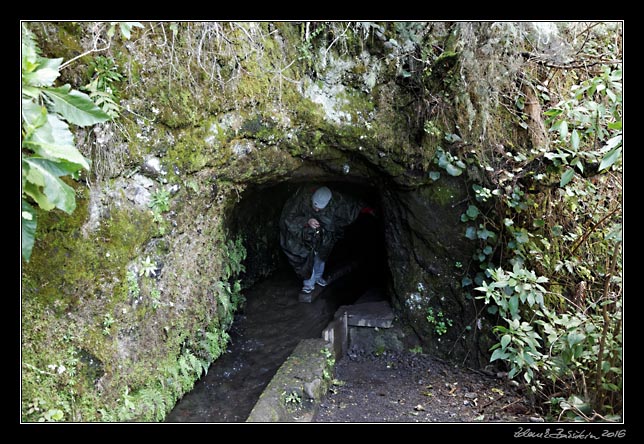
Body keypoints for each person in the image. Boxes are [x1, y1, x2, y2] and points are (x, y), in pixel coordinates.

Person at [279, 185, 374, 294]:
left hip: (325, 236)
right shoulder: (302, 198)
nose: (317, 209)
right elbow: (288, 218)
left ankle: (318, 277)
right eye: (315, 206)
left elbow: (352, 204)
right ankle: (308, 284)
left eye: (320, 207)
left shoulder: (336, 200)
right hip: (305, 236)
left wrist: (369, 209)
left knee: (321, 257)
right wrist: (307, 221)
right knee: (307, 258)